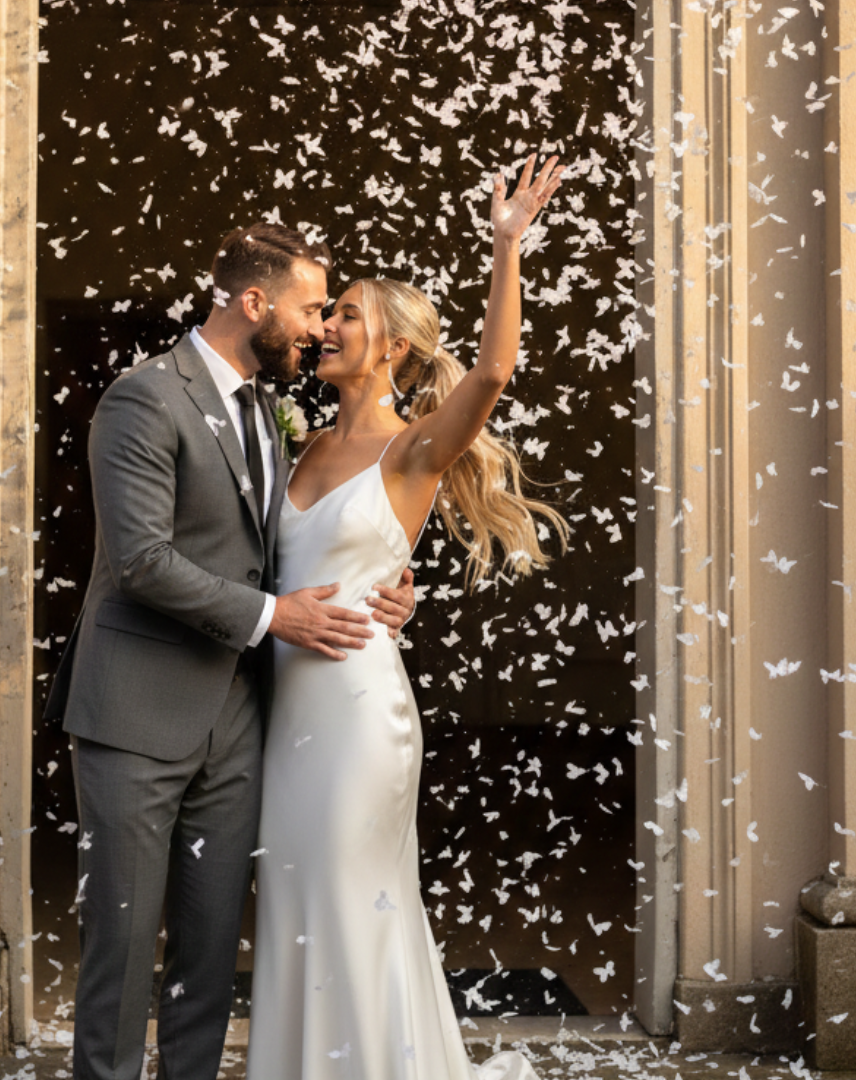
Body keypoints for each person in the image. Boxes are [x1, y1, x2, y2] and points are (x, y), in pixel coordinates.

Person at [43, 223, 416, 1080]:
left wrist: (389, 585)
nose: (320, 328)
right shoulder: (144, 398)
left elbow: (288, 545)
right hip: (136, 714)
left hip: (240, 723)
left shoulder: (268, 412)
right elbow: (141, 561)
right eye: (311, 309)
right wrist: (274, 617)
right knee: (121, 949)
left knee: (209, 955)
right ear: (254, 302)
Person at [246, 154, 569, 1079]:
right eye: (329, 313)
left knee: (355, 899)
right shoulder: (295, 442)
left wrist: (507, 245)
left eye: (346, 313)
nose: (326, 325)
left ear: (391, 345)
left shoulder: (413, 451)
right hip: (283, 716)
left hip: (358, 717)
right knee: (296, 901)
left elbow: (494, 371)